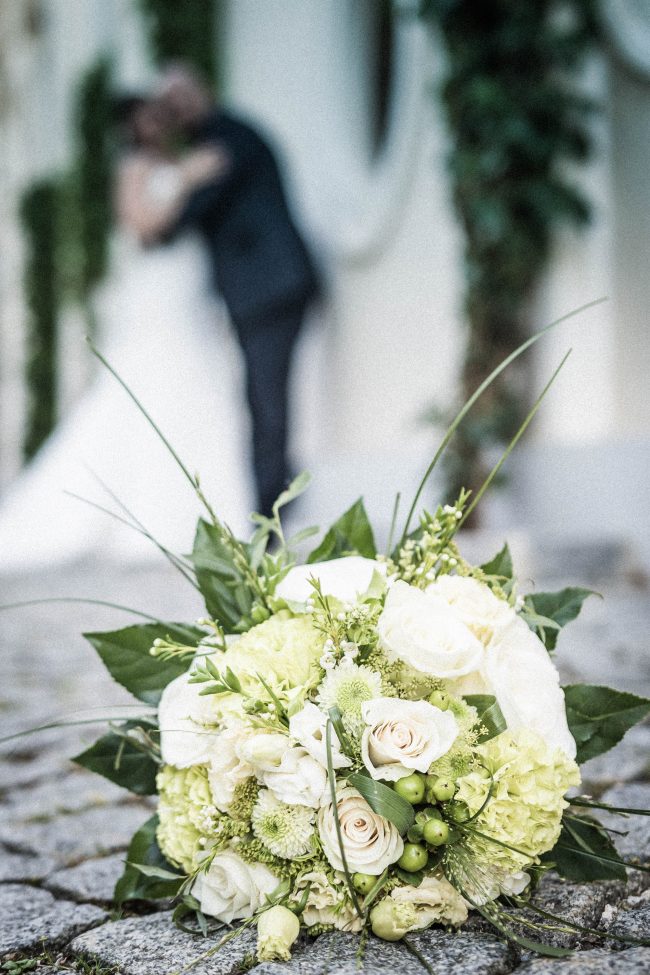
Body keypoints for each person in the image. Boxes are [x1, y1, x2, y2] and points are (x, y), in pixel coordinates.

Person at [0, 97, 254, 571]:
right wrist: (185, 179)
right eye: (149, 116)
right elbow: (142, 224)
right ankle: (158, 514)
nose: (159, 123)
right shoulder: (135, 167)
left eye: (162, 114)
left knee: (198, 388)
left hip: (188, 286)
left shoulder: (178, 159)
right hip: (159, 288)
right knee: (154, 386)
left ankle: (213, 514)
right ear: (131, 126)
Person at [158, 65, 320, 519]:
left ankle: (271, 513)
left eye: (182, 97)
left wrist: (176, 181)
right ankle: (272, 502)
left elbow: (186, 214)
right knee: (262, 400)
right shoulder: (211, 145)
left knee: (267, 402)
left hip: (271, 290)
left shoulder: (227, 142)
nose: (178, 110)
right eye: (169, 104)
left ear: (202, 91)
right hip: (260, 293)